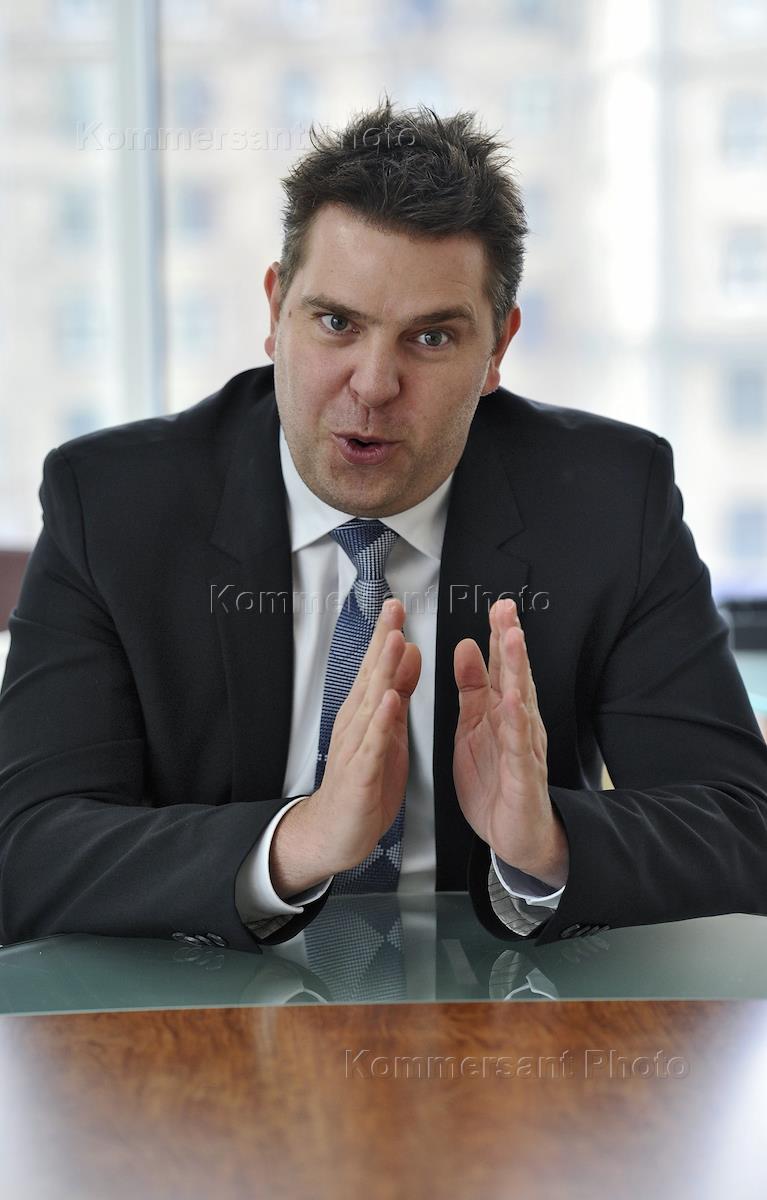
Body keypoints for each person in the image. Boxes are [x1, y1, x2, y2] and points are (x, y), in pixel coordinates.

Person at [1, 100, 766, 956]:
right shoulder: (112, 502)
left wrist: (545, 843)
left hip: (506, 1016)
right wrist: (294, 843)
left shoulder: (611, 500)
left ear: (497, 349)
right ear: (274, 310)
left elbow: (743, 830)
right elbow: (25, 850)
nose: (372, 385)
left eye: (430, 338)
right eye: (336, 323)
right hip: (191, 1010)